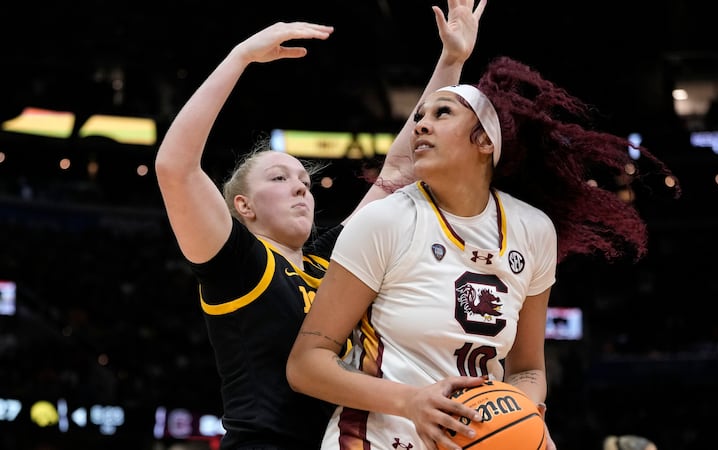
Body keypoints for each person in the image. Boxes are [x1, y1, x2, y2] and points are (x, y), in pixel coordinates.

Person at [286, 53, 680, 450]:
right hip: (374, 440)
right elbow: (306, 364)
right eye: (420, 116)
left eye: (442, 114)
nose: (421, 124)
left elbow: (527, 369)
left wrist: (519, 418)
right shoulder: (384, 221)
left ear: (485, 140)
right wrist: (410, 401)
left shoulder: (533, 230)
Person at [154, 1, 487, 448]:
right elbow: (174, 167)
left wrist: (452, 61)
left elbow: (402, 170)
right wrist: (240, 57)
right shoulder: (238, 263)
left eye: (304, 181)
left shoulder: (326, 264)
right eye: (279, 178)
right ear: (243, 206)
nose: (301, 188)